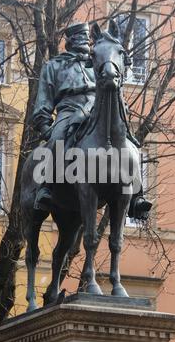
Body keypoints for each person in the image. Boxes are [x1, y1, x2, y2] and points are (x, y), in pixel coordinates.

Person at [32, 21, 152, 218]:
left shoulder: (99, 59)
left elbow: (113, 82)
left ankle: (136, 196)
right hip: (69, 110)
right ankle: (46, 188)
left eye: (85, 38)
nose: (83, 42)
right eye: (78, 37)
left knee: (129, 145)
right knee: (58, 137)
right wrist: (46, 126)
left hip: (98, 108)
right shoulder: (54, 66)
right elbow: (43, 102)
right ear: (69, 41)